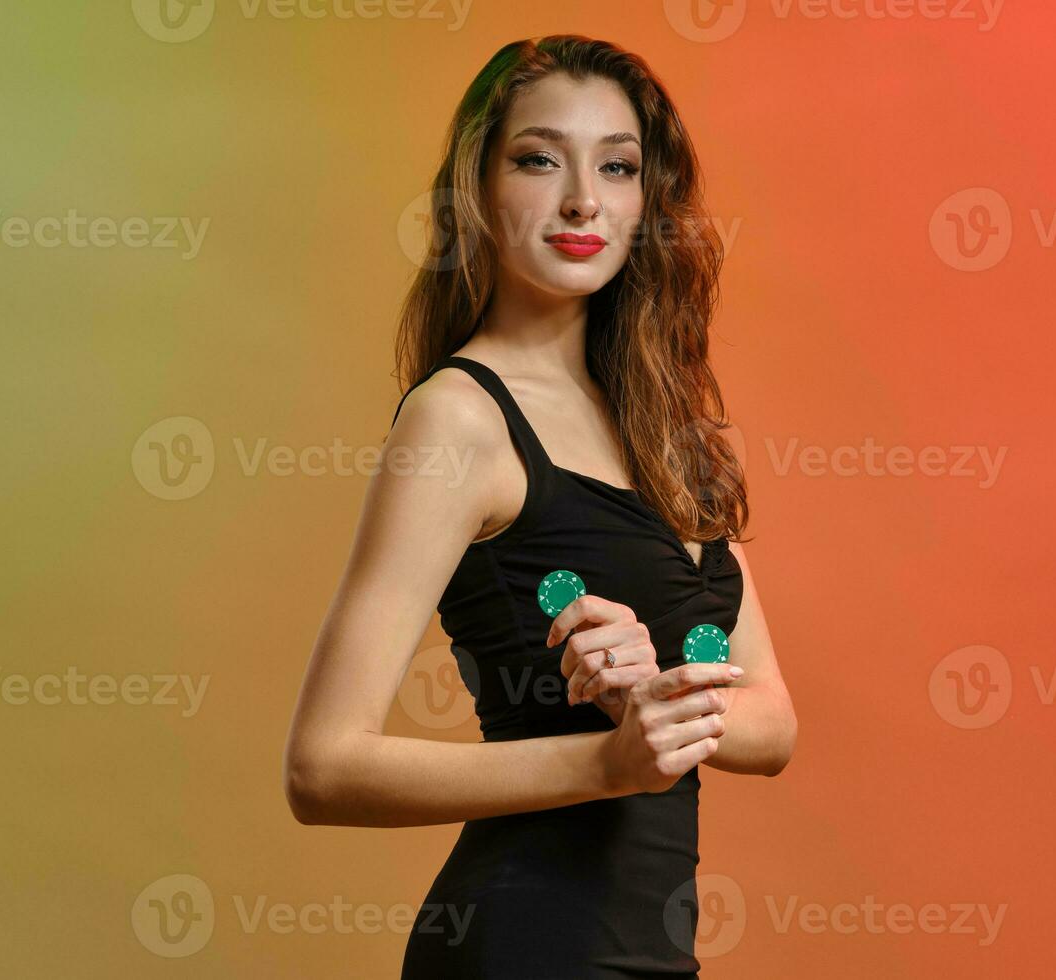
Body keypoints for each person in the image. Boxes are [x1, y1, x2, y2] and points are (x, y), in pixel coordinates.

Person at [283, 34, 796, 978]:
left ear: (648, 202)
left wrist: (664, 701)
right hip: (526, 946)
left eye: (617, 166)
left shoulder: (662, 426)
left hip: (650, 952)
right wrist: (607, 764)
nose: (581, 201)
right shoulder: (459, 420)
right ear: (479, 187)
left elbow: (773, 723)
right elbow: (322, 767)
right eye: (537, 158)